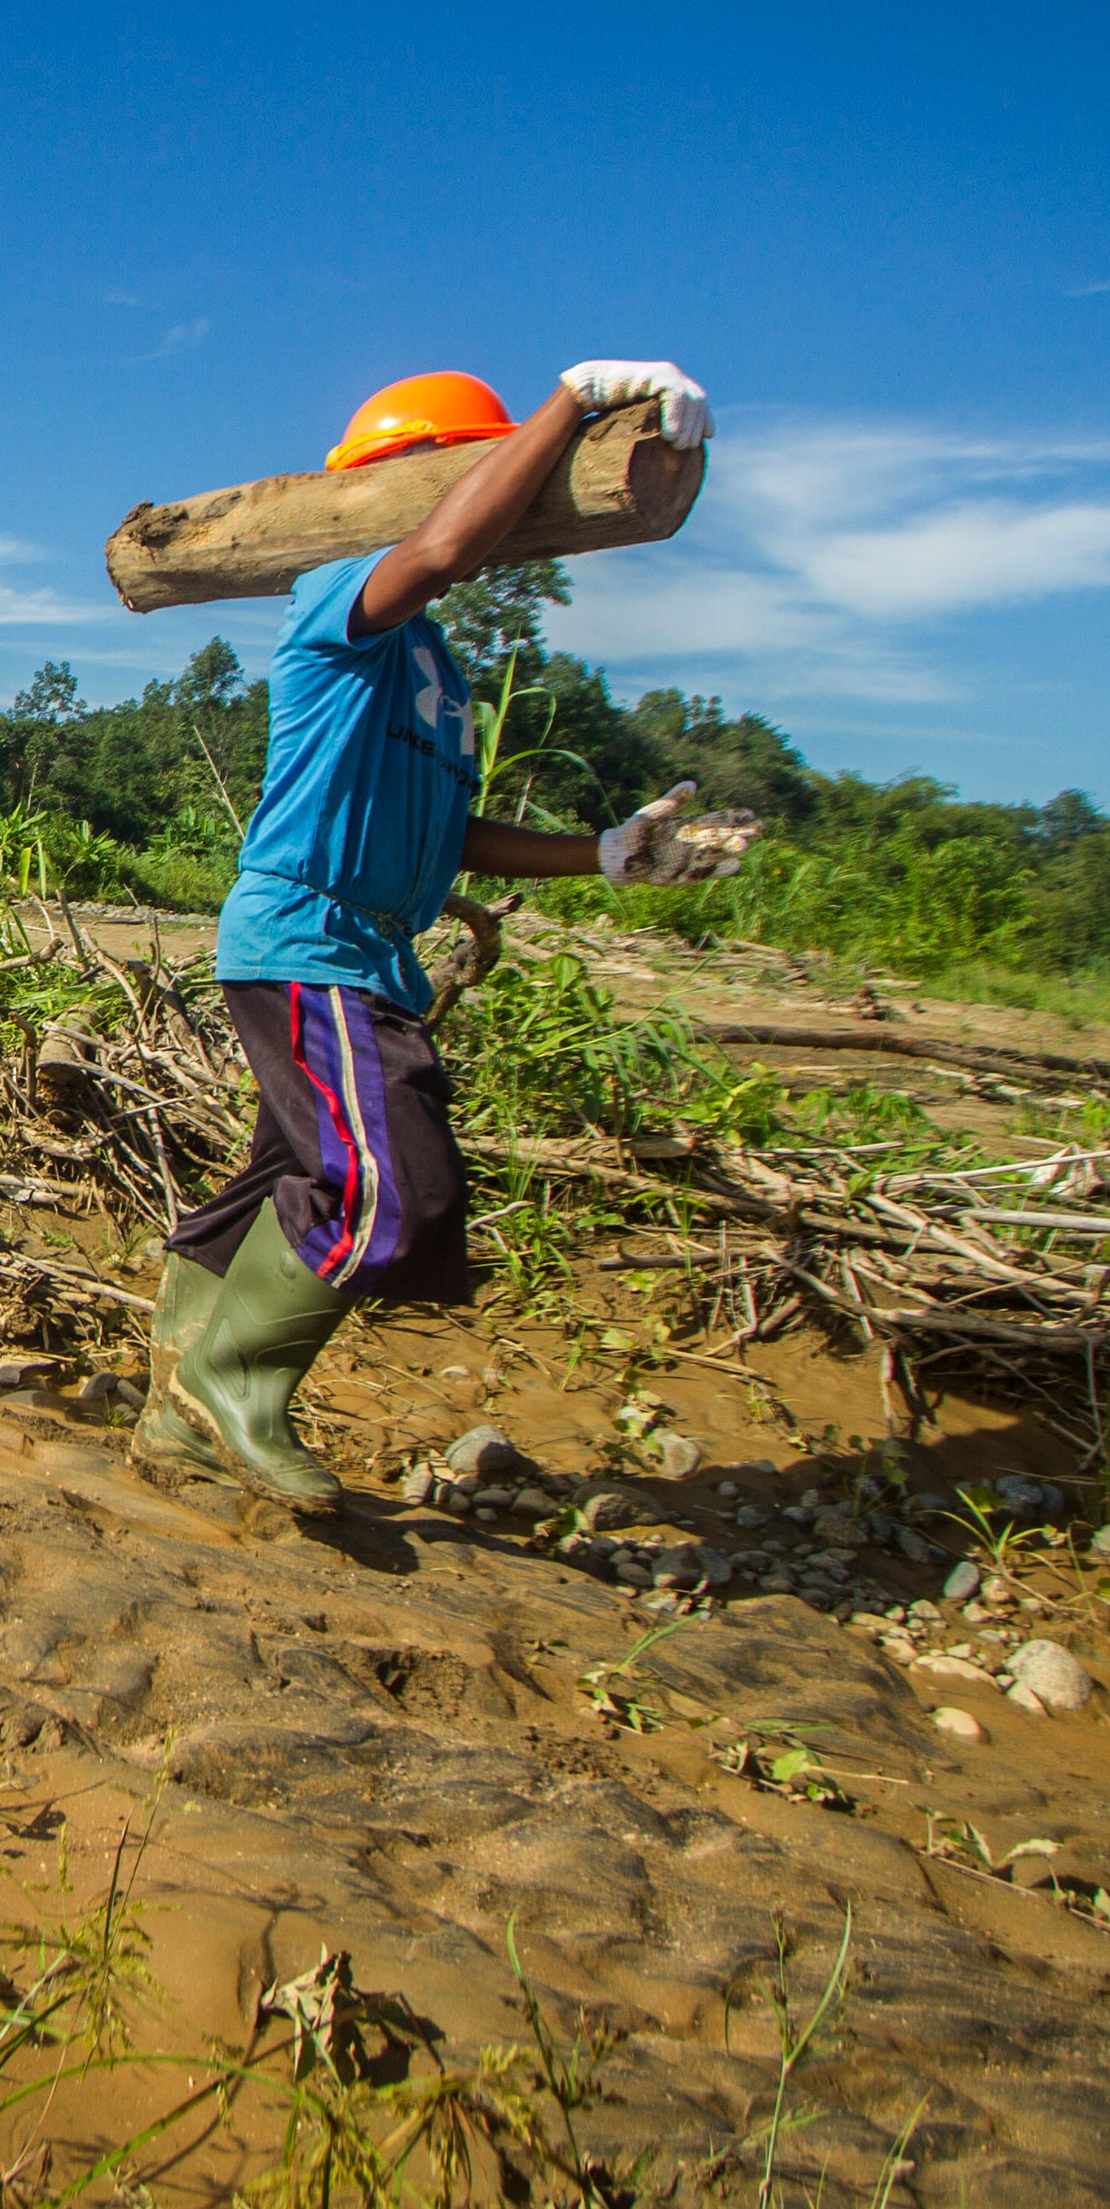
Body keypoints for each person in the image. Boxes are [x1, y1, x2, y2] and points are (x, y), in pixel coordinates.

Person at [145, 362, 762, 1505]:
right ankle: (229, 1379)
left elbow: (448, 823)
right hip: (305, 940)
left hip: (370, 953)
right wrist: (572, 406)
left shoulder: (436, 667)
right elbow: (435, 552)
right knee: (392, 1186)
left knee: (284, 1173)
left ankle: (169, 1415)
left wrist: (603, 852)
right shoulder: (341, 600)